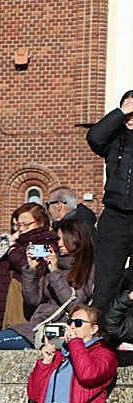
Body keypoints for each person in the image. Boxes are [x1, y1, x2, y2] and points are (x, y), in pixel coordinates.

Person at [0, 217, 95, 349]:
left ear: (75, 238)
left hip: (58, 329)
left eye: (61, 239)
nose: (58, 243)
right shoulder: (54, 263)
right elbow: (33, 300)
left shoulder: (85, 268)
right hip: (37, 325)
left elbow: (74, 304)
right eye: (57, 239)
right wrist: (31, 270)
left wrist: (54, 271)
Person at [86, 90, 133, 313]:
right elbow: (94, 136)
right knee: (106, 284)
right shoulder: (113, 139)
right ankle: (101, 336)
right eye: (128, 112)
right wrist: (121, 112)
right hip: (115, 217)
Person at [0, 202, 58, 336]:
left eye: (26, 224)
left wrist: (12, 251)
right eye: (18, 224)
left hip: (23, 309)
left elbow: (32, 269)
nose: (21, 229)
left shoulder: (47, 242)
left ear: (41, 222)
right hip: (1, 306)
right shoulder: (14, 244)